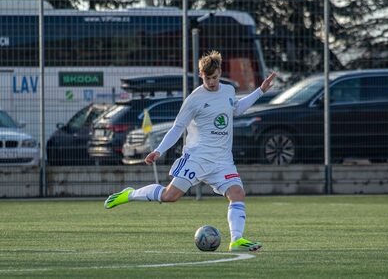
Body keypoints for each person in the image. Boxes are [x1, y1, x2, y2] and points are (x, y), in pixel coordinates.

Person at [104, 50, 276, 252]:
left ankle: (237, 240)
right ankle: (130, 194)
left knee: (237, 193)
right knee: (170, 196)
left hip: (222, 160)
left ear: (220, 72)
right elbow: (177, 127)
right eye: (207, 78)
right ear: (201, 75)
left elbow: (236, 109)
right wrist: (159, 151)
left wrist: (261, 91)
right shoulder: (194, 99)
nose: (211, 82)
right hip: (197, 157)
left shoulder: (228, 91)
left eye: (214, 77)